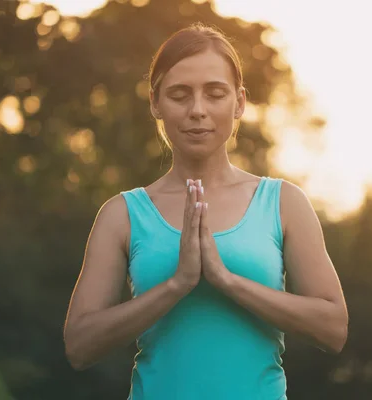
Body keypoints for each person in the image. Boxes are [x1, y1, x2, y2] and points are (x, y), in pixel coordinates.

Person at [63, 22, 348, 400]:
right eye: (179, 94)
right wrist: (177, 285)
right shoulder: (122, 214)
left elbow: (333, 329)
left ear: (240, 102)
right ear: (155, 103)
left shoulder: (283, 203)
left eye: (215, 93)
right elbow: (79, 345)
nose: (197, 110)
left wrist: (226, 280)